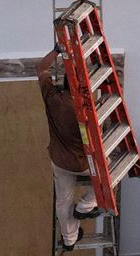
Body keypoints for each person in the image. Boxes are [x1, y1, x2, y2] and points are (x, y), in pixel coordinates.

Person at [36, 48, 99, 251]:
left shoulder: (52, 98)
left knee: (63, 200)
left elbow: (40, 68)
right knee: (115, 171)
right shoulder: (86, 110)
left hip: (59, 161)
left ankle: (70, 238)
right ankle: (86, 205)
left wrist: (57, 51)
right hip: (82, 164)